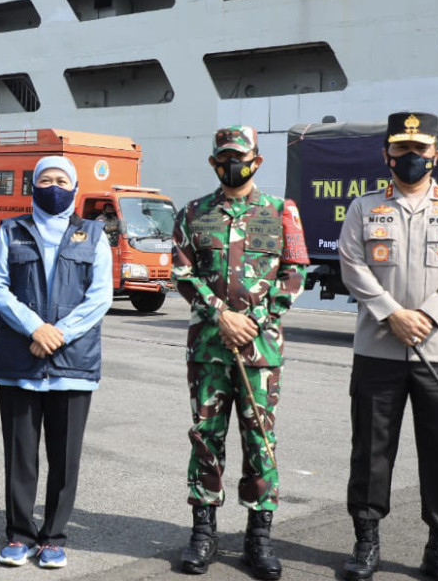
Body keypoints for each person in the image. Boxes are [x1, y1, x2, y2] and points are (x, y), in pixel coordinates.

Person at [337, 112, 438, 581]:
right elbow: (351, 263)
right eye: (401, 150)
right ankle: (366, 543)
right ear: (386, 154)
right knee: (371, 449)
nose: (410, 158)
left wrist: (426, 316)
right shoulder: (364, 208)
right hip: (378, 349)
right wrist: (391, 313)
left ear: (436, 153)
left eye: (419, 150)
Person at [172, 125, 309, 579]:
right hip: (209, 350)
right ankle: (204, 533)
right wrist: (220, 316)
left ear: (258, 160)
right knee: (206, 439)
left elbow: (294, 274)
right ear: (214, 163)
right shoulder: (193, 213)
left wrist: (255, 322)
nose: (234, 164)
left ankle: (259, 538)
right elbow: (182, 273)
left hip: (260, 352)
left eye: (241, 156)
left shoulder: (280, 211)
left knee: (260, 442)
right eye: (225, 157)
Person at [0, 156, 113, 569]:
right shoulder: (11, 230)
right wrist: (35, 328)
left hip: (72, 362)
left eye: (61, 180)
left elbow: (100, 297)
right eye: (46, 179)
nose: (53, 186)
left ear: (74, 189)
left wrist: (59, 334)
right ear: (33, 186)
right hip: (19, 360)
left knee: (65, 457)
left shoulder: (94, 234)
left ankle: (54, 537)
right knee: (20, 455)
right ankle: (19, 535)